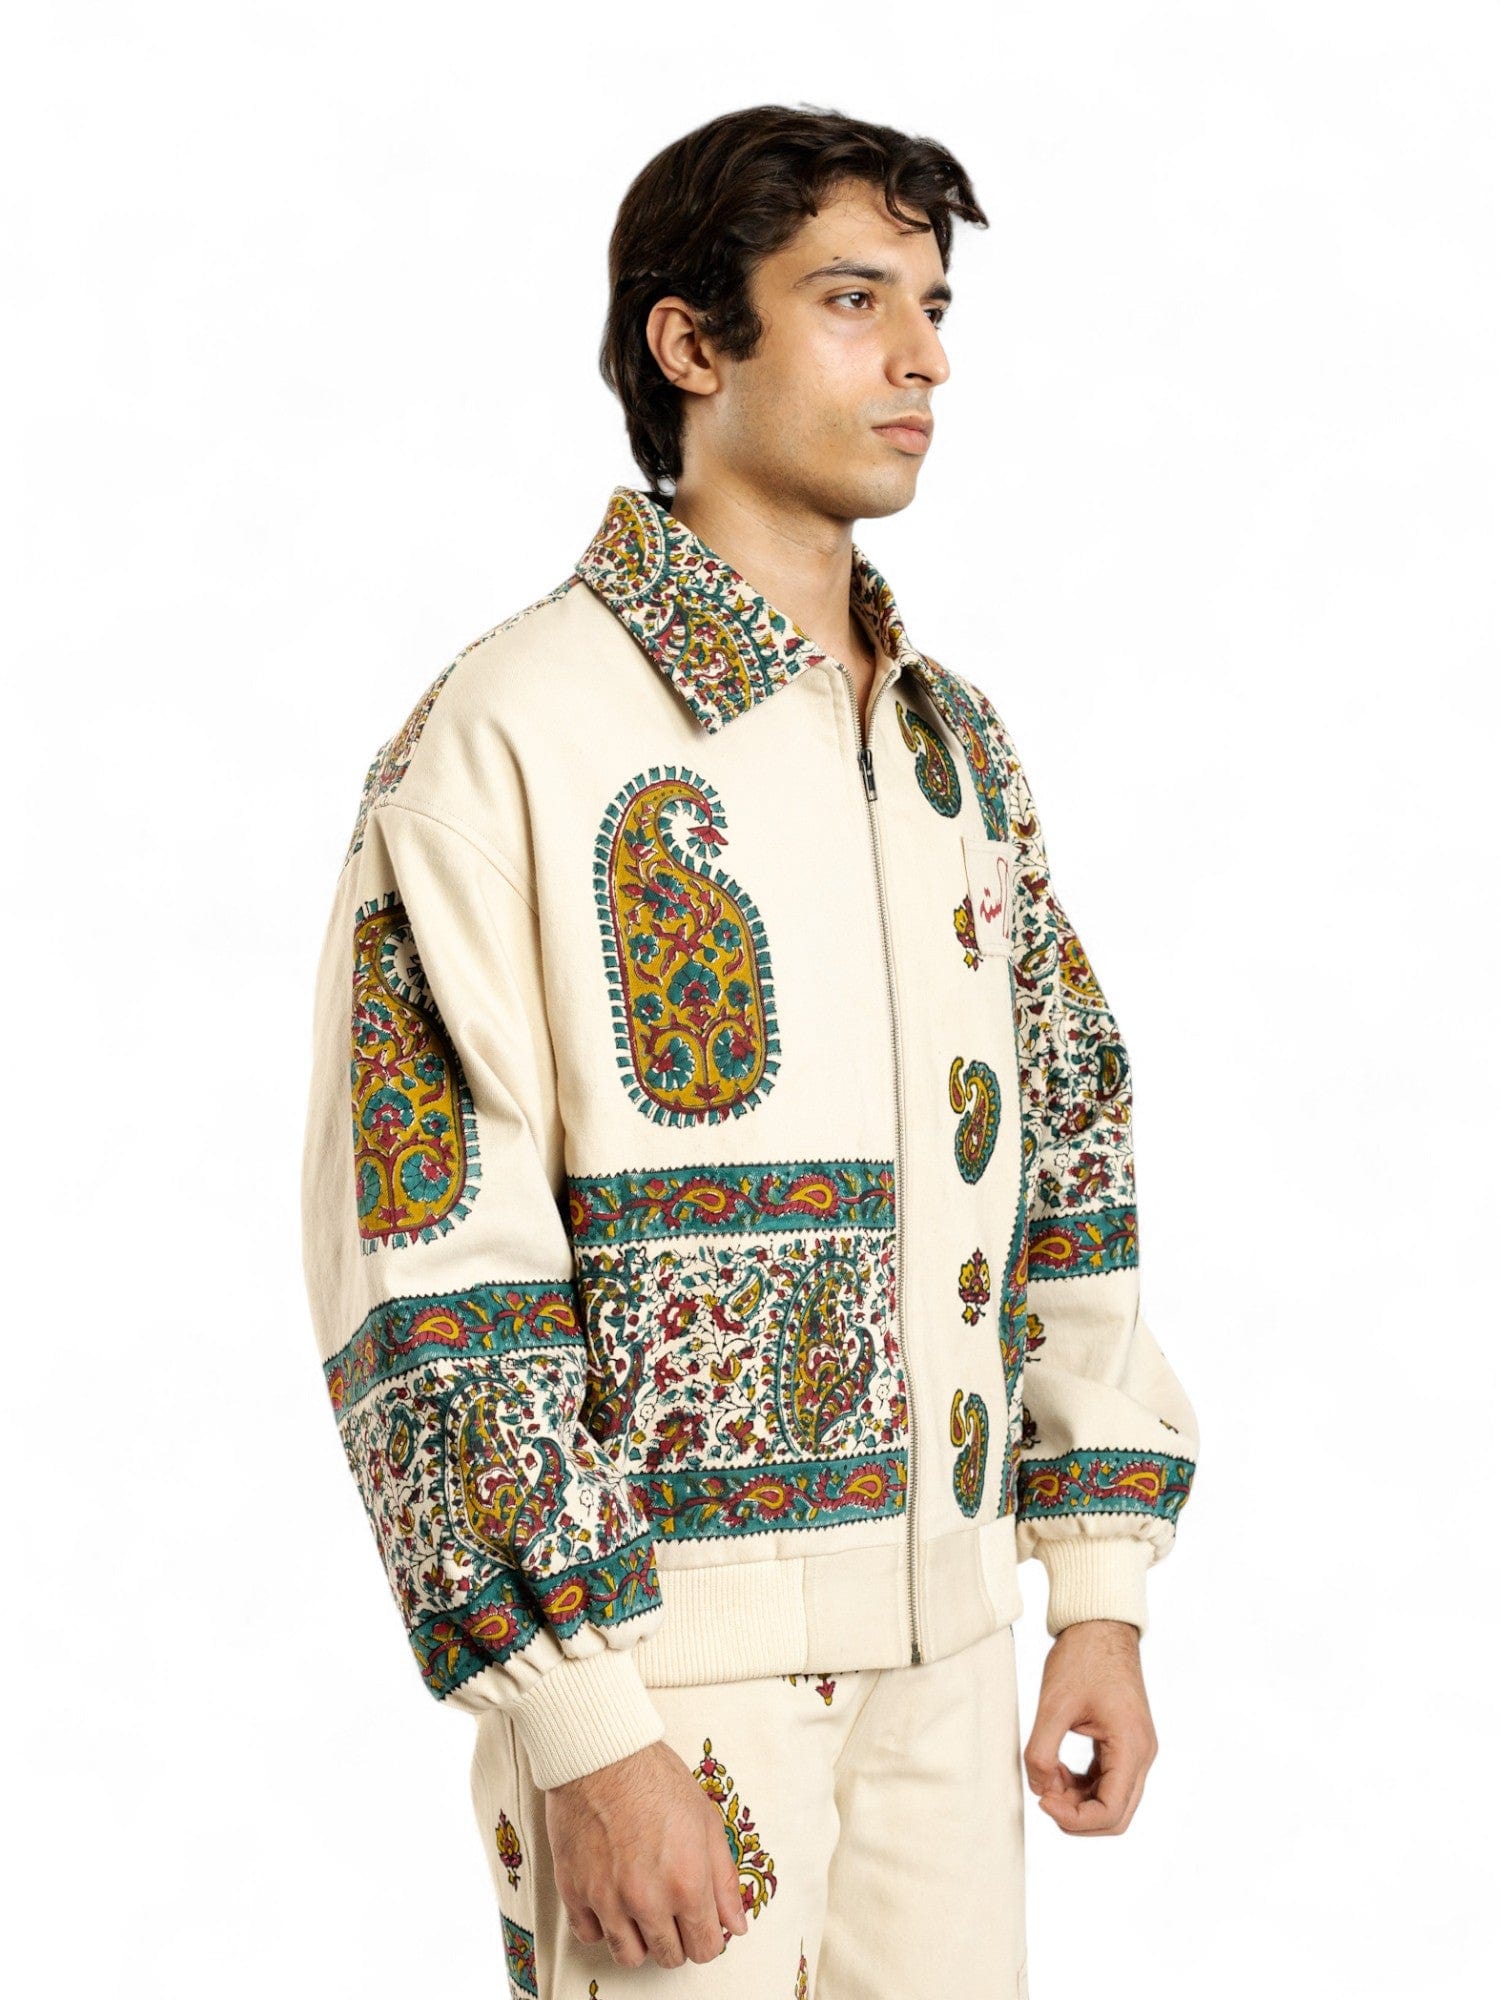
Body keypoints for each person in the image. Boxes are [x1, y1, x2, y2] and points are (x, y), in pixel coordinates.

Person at [300, 102, 1200, 1998]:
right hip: (666, 1687)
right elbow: (427, 1251)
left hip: (953, 1657)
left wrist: (1095, 1589)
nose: (925, 358)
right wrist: (581, 1721)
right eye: (855, 301)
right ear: (690, 343)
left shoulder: (955, 746)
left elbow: (1070, 1151)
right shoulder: (510, 732)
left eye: (935, 307)